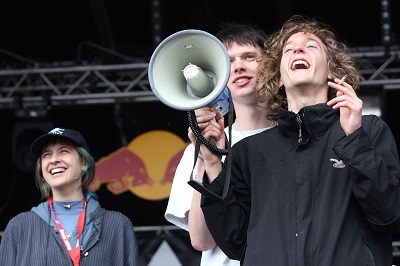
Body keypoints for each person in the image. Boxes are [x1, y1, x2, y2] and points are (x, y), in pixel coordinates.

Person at [194, 15, 400, 265]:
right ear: (278, 77)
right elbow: (234, 243)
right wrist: (214, 165)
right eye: (288, 50)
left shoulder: (368, 130)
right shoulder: (249, 151)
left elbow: (389, 216)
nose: (298, 49)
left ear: (332, 71)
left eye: (311, 46)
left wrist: (355, 139)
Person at [165, 22, 275, 265]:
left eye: (249, 57)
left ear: (271, 66)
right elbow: (202, 240)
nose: (239, 67)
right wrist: (205, 157)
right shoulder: (197, 149)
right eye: (229, 61)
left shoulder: (292, 140)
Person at [0, 127, 138, 265]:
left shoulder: (118, 225)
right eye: (46, 155)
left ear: (84, 163)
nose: (53, 160)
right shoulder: (19, 227)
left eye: (63, 151)